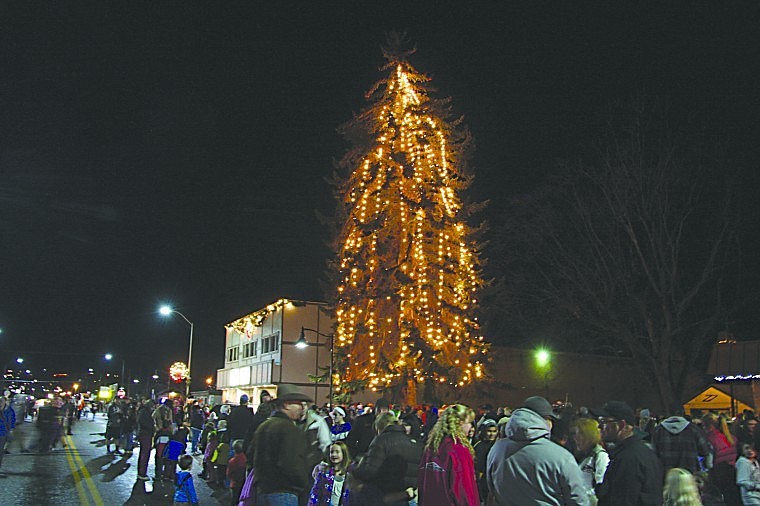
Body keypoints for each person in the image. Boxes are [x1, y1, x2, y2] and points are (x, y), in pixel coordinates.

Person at [486, 396, 588, 505]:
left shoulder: (497, 449)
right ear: (545, 420)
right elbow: (578, 500)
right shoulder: (561, 456)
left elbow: (491, 489)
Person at [251, 383, 312, 506]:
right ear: (287, 404)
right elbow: (291, 464)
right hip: (283, 492)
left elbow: (250, 454)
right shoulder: (288, 429)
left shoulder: (264, 426)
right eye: (298, 403)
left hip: (263, 491)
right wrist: (304, 483)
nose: (302, 407)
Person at [594, 400, 663, 506]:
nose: (599, 426)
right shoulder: (643, 451)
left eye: (604, 421)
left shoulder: (628, 458)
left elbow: (623, 500)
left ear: (621, 425)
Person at [351, 411, 421, 505]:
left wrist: (355, 471)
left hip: (387, 496)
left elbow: (370, 470)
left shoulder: (382, 440)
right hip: (409, 496)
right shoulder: (416, 443)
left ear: (379, 427)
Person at [418, 403, 480, 505]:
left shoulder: (432, 447)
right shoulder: (459, 450)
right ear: (459, 423)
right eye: (469, 423)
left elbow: (422, 480)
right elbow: (464, 489)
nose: (470, 427)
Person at [651, 405, 712, 473]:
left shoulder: (658, 430)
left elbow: (653, 455)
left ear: (668, 413)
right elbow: (705, 451)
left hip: (666, 475)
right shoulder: (694, 429)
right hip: (689, 475)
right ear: (683, 413)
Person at [702, 412, 740, 506]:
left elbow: (709, 463)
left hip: (718, 474)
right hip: (733, 472)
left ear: (708, 426)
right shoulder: (731, 438)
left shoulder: (710, 438)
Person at [571, 417, 609, 505]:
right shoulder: (583, 456)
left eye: (578, 434)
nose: (575, 438)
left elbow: (601, 486)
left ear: (588, 435)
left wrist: (584, 495)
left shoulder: (600, 456)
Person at [309, 441, 351, 505]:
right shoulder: (324, 473)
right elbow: (315, 494)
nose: (334, 454)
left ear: (344, 453)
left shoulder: (350, 474)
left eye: (337, 452)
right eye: (332, 452)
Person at [473, 418, 498, 505]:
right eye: (489, 431)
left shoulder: (499, 445)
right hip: (483, 482)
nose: (492, 434)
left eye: (494, 431)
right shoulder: (479, 446)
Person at [136, 399, 156, 480]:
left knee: (144, 454)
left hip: (145, 434)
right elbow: (144, 423)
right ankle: (142, 473)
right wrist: (153, 427)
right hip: (145, 435)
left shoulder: (144, 412)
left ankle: (142, 472)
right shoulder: (144, 412)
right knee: (145, 454)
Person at [227, 439, 248, 505]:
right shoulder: (247, 459)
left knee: (234, 500)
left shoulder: (233, 461)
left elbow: (229, 473)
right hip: (245, 484)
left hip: (235, 483)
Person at [0, 396, 16, 477]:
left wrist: (11, 429)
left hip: (3, 434)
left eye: (1, 401)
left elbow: (12, 420)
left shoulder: (9, 410)